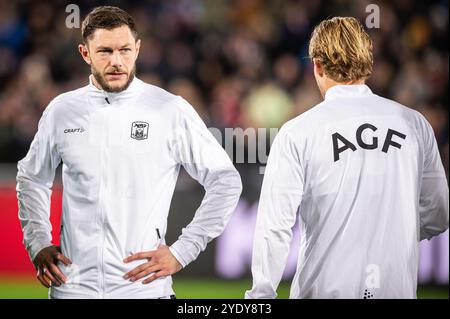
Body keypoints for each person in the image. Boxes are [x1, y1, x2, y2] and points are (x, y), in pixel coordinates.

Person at [16, 6, 242, 299]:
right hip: (73, 290)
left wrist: (182, 251)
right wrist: (37, 242)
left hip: (144, 291)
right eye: (105, 51)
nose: (116, 61)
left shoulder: (169, 109)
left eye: (124, 50)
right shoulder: (62, 111)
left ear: (137, 48)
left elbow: (225, 180)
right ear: (85, 53)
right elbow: (32, 177)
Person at [245, 17, 448, 299]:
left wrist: (261, 296)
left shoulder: (298, 132)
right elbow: (440, 212)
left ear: (316, 65)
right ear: (368, 62)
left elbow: (274, 227)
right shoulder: (414, 124)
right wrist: (390, 231)